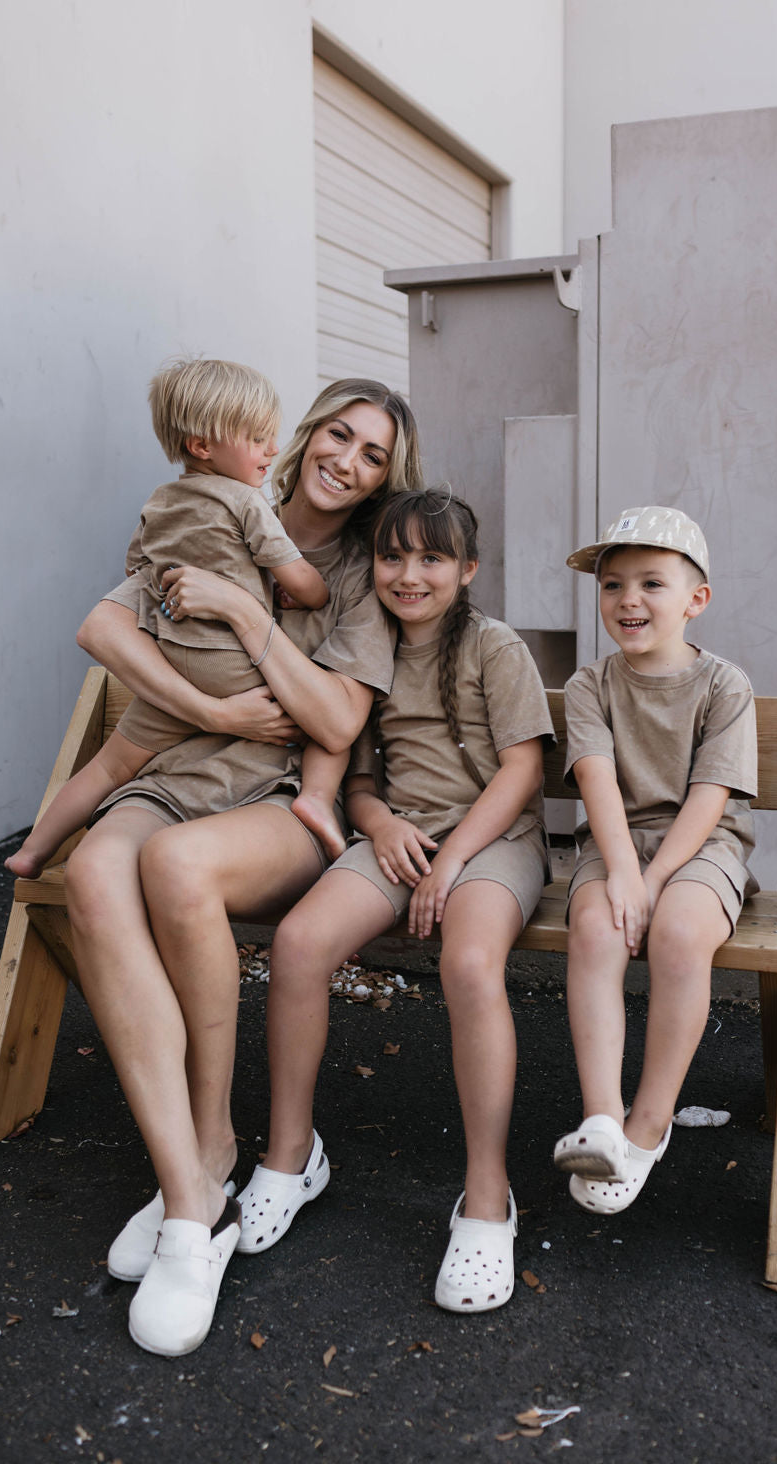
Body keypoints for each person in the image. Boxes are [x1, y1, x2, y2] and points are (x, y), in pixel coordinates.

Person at [63, 378, 424, 1356]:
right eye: (338, 435)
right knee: (95, 875)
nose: (347, 460)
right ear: (305, 434)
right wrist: (214, 709)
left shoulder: (363, 567)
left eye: (372, 453)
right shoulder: (210, 505)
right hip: (174, 772)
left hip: (285, 805)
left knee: (177, 868)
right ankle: (195, 1192)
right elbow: (107, 624)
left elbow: (339, 720)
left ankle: (210, 1152)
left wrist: (244, 613)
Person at [256, 487, 554, 1313]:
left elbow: (524, 768)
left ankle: (487, 1195)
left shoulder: (494, 646)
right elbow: (354, 775)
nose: (408, 574)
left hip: (491, 843)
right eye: (392, 556)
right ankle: (289, 1156)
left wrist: (452, 861)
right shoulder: (369, 642)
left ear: (467, 568)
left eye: (431, 558)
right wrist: (380, 820)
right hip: (402, 843)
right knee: (300, 943)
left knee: (467, 959)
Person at [5, 357, 354, 879]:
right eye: (258, 438)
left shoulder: (159, 501)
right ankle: (317, 800)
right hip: (234, 668)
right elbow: (304, 584)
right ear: (202, 445)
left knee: (109, 766)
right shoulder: (246, 502)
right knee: (329, 724)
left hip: (172, 662)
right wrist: (306, 592)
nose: (273, 449)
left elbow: (137, 567)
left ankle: (32, 851)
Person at [552, 506, 758, 1215]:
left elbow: (709, 797)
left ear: (695, 599)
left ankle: (651, 1118)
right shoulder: (591, 685)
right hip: (617, 844)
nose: (628, 600)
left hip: (701, 849)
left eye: (651, 583)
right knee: (599, 928)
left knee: (675, 933)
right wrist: (622, 873)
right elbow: (597, 782)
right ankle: (604, 1118)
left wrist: (656, 877)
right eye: (612, 585)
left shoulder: (724, 685)